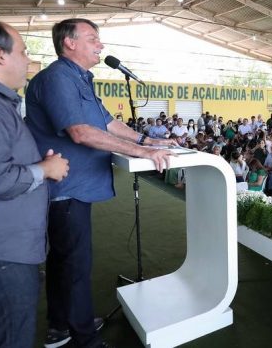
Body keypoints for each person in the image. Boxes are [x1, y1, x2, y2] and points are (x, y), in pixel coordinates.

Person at [25, 19, 176, 348]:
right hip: (65, 188)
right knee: (76, 265)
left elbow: (106, 122)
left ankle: (60, 325)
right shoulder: (57, 78)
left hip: (75, 186)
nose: (101, 45)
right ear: (70, 43)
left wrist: (147, 139)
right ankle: (85, 338)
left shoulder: (80, 78)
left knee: (65, 260)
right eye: (93, 39)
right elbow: (80, 131)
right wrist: (140, 151)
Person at [0, 19, 70, 348]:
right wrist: (45, 169)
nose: (27, 59)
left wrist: (39, 164)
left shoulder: (3, 104)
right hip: (4, 255)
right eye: (23, 52)